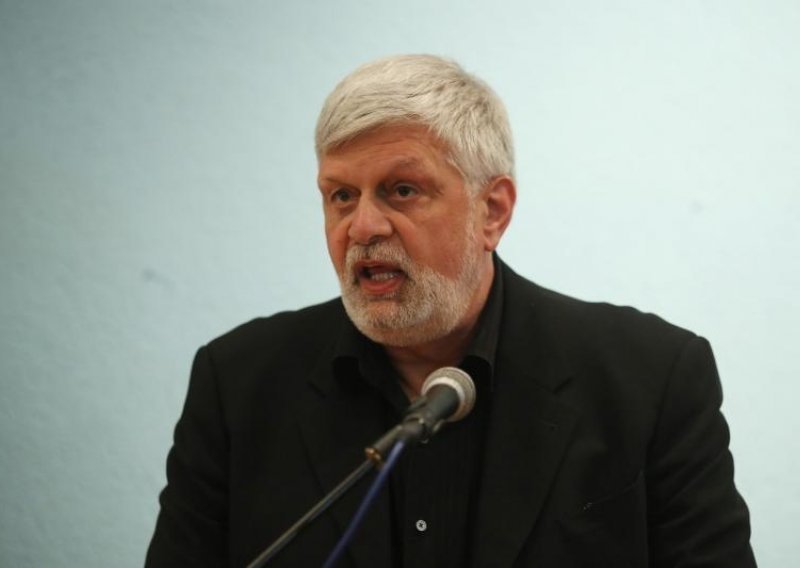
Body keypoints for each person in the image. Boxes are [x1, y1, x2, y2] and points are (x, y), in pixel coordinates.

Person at [146, 55, 755, 567]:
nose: (363, 226)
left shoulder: (651, 378)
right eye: (341, 196)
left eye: (401, 190)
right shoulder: (238, 383)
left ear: (492, 211)